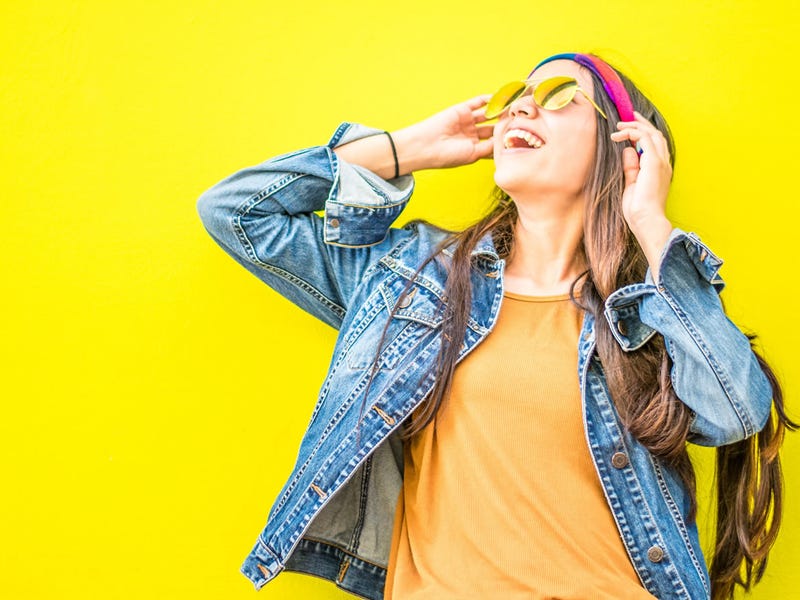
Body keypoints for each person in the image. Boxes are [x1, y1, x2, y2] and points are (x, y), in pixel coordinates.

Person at [197, 52, 795, 600]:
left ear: (626, 147)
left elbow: (736, 411)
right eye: (516, 96)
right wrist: (407, 149)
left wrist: (651, 223)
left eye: (559, 96)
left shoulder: (645, 311)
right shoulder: (415, 278)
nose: (521, 107)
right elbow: (236, 212)